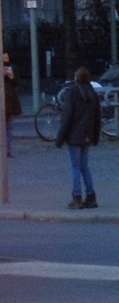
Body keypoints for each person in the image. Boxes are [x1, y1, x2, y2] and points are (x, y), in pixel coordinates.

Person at [54, 67, 101, 209]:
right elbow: (97, 118)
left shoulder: (72, 92)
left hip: (74, 135)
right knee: (84, 166)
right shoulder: (93, 93)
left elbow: (67, 117)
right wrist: (95, 137)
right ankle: (91, 196)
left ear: (76, 78)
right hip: (87, 135)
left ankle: (77, 197)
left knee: (75, 166)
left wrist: (60, 139)